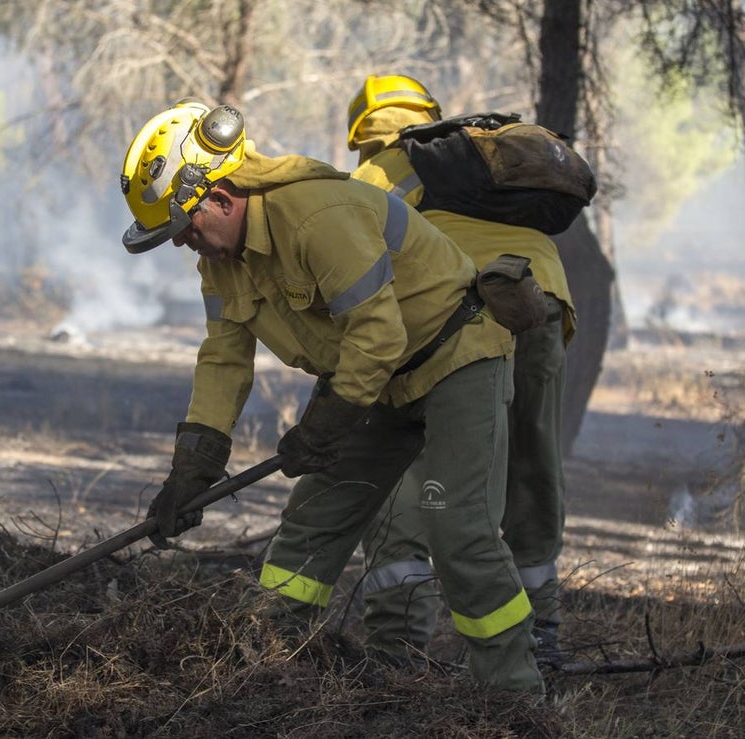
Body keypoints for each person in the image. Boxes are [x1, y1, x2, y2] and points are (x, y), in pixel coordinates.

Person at [119, 99, 544, 693]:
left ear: (217, 196)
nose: (182, 244)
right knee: (311, 524)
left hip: (456, 357)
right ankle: (266, 672)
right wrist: (193, 467)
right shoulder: (220, 264)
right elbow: (222, 359)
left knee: (458, 528)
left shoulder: (318, 216)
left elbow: (379, 333)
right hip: (375, 383)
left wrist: (323, 426)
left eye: (183, 228)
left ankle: (515, 697)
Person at [345, 74, 576, 665]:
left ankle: (398, 644)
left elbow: (350, 268)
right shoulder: (472, 155)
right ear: (430, 115)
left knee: (403, 463)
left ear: (361, 134)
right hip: (536, 297)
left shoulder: (379, 170)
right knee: (532, 456)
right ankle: (541, 631)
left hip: (455, 312)